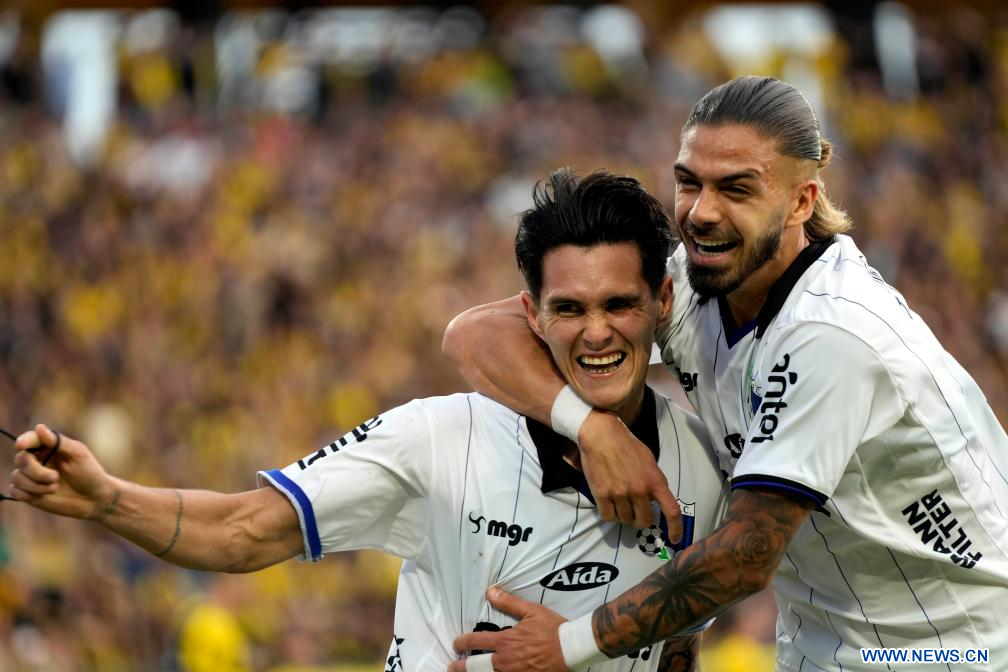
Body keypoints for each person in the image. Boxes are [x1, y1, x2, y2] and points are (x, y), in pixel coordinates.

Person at [9, 169, 728, 671]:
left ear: (663, 303)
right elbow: (241, 529)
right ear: (531, 315)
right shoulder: (438, 438)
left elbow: (679, 647)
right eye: (569, 309)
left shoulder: (703, 462)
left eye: (618, 306)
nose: (595, 333)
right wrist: (108, 500)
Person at [444, 76, 1008, 672]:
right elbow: (474, 334)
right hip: (824, 645)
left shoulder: (832, 331)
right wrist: (593, 430)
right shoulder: (695, 283)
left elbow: (746, 555)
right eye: (689, 183)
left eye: (737, 189)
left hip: (957, 646)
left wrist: (567, 646)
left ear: (801, 201)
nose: (701, 212)